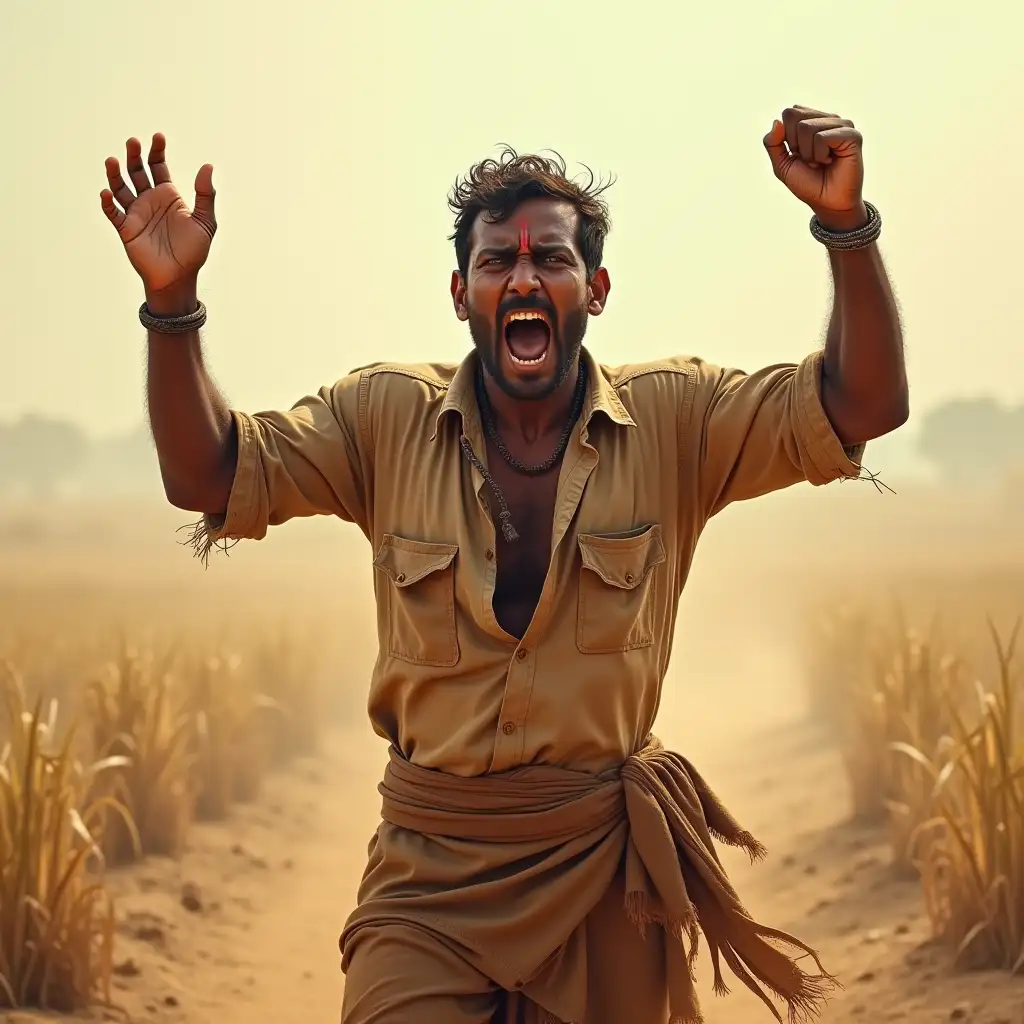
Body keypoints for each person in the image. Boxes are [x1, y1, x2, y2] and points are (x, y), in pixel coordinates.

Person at [99, 104, 907, 1024]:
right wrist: (172, 308)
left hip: (603, 876)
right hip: (427, 883)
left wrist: (847, 225)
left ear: (595, 289)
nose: (524, 275)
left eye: (551, 259)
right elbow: (206, 472)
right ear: (460, 293)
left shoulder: (681, 420)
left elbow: (863, 404)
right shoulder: (381, 419)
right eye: (498, 262)